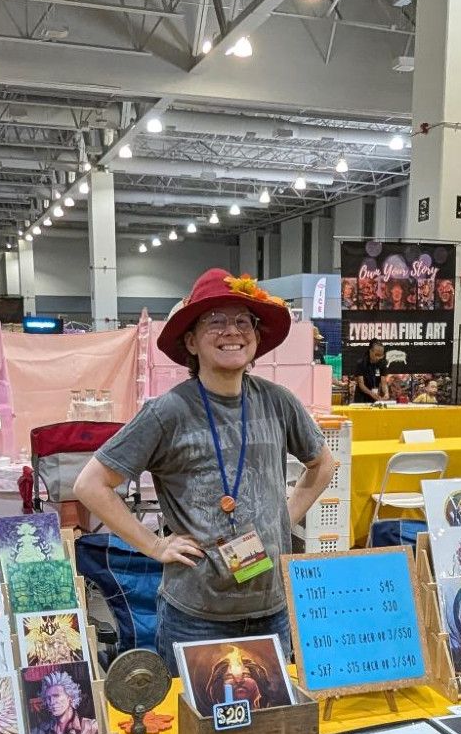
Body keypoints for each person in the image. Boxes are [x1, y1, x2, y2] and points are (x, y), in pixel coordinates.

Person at [76, 270, 337, 664]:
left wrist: (283, 519)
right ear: (191, 341)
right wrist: (154, 545)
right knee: (198, 722)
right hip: (195, 616)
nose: (230, 331)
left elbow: (322, 464)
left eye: (241, 321)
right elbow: (91, 484)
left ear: (255, 336)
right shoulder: (168, 413)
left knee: (269, 719)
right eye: (214, 321)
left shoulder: (278, 401)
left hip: (273, 608)